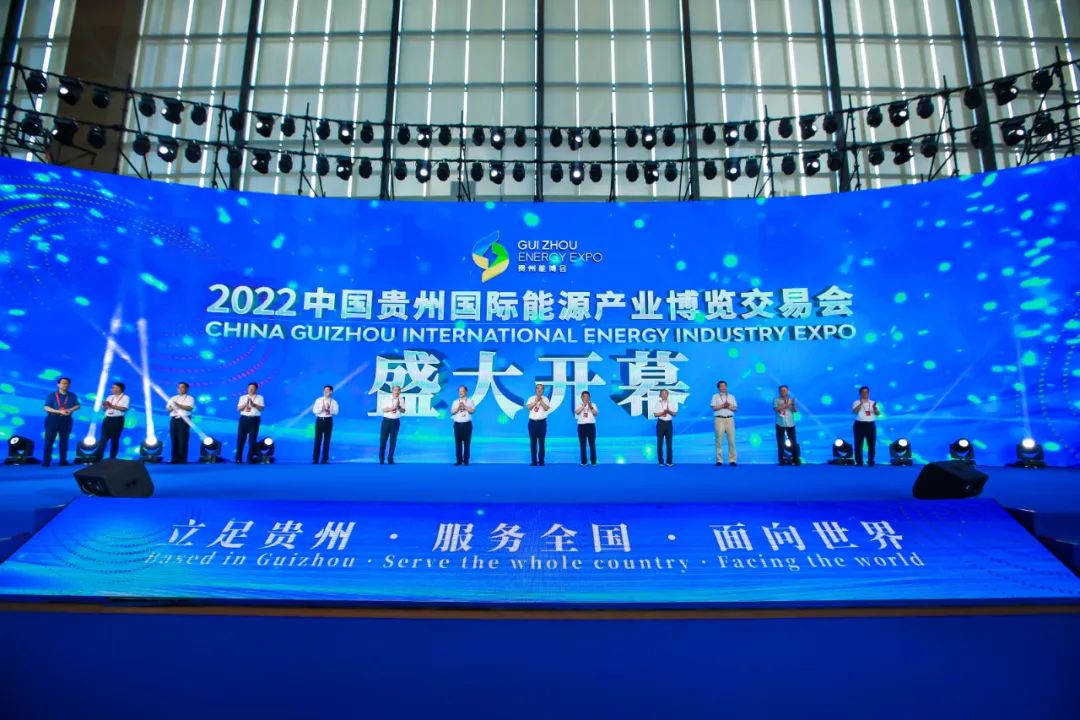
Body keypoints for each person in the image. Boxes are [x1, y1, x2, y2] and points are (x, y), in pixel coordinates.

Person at [42, 376, 80, 466]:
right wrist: (59, 411)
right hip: (53, 419)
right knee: (49, 440)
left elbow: (78, 405)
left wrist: (70, 410)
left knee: (64, 440)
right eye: (63, 383)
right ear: (58, 384)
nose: (65, 385)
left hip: (66, 419)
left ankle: (63, 460)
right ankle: (46, 461)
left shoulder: (72, 395)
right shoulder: (51, 395)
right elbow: (46, 407)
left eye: (67, 383)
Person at [97, 381, 130, 460]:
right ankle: (98, 457)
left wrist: (111, 406)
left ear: (119, 389)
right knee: (103, 439)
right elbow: (105, 409)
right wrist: (104, 406)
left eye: (114, 387)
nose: (112, 389)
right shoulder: (109, 397)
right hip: (108, 419)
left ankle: (112, 458)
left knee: (115, 439)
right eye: (112, 387)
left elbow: (124, 409)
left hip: (118, 419)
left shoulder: (126, 397)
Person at [710, 380, 738, 466]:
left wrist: (728, 406)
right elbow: (713, 408)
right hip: (719, 419)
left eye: (725, 386)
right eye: (721, 386)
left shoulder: (731, 396)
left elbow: (735, 409)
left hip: (730, 419)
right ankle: (719, 460)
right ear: (718, 388)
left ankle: (732, 460)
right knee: (719, 440)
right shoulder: (715, 396)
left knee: (731, 440)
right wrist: (723, 405)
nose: (723, 387)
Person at [166, 382, 195, 464]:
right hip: (174, 419)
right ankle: (174, 459)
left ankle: (182, 459)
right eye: (178, 387)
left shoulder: (190, 398)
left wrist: (177, 405)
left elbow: (189, 408)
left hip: (184, 419)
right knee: (174, 438)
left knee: (183, 439)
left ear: (186, 389)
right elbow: (168, 409)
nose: (180, 389)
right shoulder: (173, 398)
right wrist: (173, 406)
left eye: (182, 387)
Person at [235, 382, 264, 464]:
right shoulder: (242, 397)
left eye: (252, 388)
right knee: (240, 439)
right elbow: (238, 409)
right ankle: (238, 459)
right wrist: (246, 404)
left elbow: (261, 409)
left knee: (252, 440)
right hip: (244, 419)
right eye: (249, 388)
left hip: (254, 419)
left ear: (256, 389)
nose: (250, 390)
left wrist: (253, 404)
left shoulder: (260, 397)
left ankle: (250, 458)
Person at [852, 385, 881, 466]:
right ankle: (859, 462)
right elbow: (855, 412)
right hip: (859, 425)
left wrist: (874, 408)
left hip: (870, 425)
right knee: (858, 444)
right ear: (860, 393)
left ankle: (871, 461)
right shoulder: (856, 402)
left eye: (866, 392)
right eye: (863, 392)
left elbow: (878, 414)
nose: (865, 394)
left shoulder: (873, 402)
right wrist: (861, 403)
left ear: (868, 393)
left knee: (872, 444)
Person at [312, 385, 338, 464]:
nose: (326, 392)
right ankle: (315, 459)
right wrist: (321, 409)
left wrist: (330, 410)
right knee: (317, 439)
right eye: (324, 390)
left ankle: (325, 459)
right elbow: (314, 411)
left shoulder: (333, 402)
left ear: (331, 392)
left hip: (328, 420)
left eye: (327, 390)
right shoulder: (318, 400)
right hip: (319, 420)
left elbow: (336, 412)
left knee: (327, 440)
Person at [379, 385, 405, 464]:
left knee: (393, 441)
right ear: (392, 391)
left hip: (396, 422)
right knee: (383, 440)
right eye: (395, 390)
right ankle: (381, 459)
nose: (397, 392)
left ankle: (390, 458)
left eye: (398, 390)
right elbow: (384, 409)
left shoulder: (401, 399)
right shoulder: (387, 398)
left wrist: (399, 408)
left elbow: (403, 411)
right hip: (386, 421)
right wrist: (392, 409)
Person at [525, 383, 550, 466]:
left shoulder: (546, 399)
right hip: (532, 423)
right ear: (536, 390)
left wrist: (540, 401)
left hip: (542, 423)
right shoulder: (531, 398)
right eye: (538, 388)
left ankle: (541, 461)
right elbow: (528, 408)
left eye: (541, 389)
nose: (539, 390)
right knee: (533, 443)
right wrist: (536, 401)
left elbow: (546, 408)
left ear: (543, 390)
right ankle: (534, 461)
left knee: (542, 442)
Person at [451, 385, 475, 466]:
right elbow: (452, 412)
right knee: (458, 443)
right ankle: (459, 461)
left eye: (462, 391)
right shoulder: (455, 402)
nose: (461, 393)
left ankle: (466, 461)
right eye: (459, 391)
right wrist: (458, 407)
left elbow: (472, 411)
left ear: (466, 392)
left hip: (467, 425)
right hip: (457, 425)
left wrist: (465, 406)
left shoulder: (470, 401)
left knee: (467, 443)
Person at [774, 385, 798, 464]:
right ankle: (781, 460)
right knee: (780, 442)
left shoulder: (791, 400)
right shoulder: (776, 399)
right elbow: (776, 409)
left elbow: (795, 411)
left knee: (793, 442)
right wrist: (786, 404)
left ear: (787, 391)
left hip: (790, 423)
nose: (783, 392)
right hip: (780, 423)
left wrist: (793, 404)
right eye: (781, 390)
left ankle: (795, 459)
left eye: (784, 390)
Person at [652, 389, 676, 466]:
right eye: (663, 394)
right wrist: (663, 412)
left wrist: (668, 411)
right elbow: (655, 414)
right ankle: (660, 462)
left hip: (669, 424)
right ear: (660, 395)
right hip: (660, 424)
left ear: (668, 395)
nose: (664, 395)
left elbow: (674, 414)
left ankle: (669, 461)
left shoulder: (672, 403)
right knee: (660, 443)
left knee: (669, 443)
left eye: (666, 394)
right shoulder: (657, 403)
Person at [575, 390, 599, 466]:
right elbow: (577, 412)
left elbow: (596, 413)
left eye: (587, 397)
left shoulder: (593, 404)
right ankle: (584, 461)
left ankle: (593, 461)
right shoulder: (579, 404)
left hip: (591, 426)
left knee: (592, 444)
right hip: (581, 426)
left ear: (589, 397)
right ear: (581, 397)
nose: (586, 398)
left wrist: (590, 407)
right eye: (584, 397)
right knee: (582, 444)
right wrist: (583, 406)